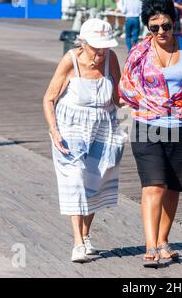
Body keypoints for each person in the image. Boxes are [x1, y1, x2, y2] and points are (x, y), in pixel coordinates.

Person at [119, 0, 182, 267]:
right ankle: (150, 246)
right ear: (148, 27)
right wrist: (138, 101)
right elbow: (126, 85)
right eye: (154, 27)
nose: (161, 32)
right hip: (147, 125)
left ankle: (163, 241)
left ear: (174, 22)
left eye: (166, 26)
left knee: (172, 187)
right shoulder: (139, 53)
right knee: (153, 186)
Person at [43, 18, 126, 263]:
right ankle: (78, 242)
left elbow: (118, 96)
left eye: (105, 46)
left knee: (95, 182)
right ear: (83, 42)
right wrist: (54, 131)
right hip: (71, 127)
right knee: (75, 179)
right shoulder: (70, 60)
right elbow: (49, 98)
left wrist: (139, 100)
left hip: (104, 125)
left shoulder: (111, 58)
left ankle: (86, 236)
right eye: (96, 47)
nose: (101, 52)